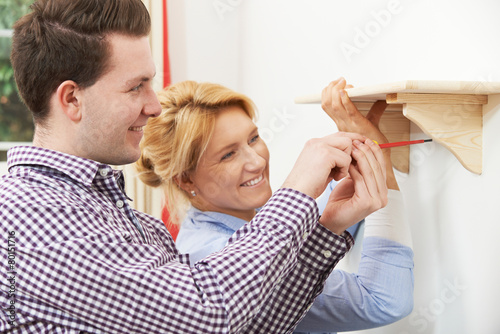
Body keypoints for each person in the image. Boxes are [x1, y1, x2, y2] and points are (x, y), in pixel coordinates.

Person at [0, 0, 389, 332]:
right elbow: (209, 314)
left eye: (150, 84)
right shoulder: (32, 218)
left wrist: (327, 227)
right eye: (135, 87)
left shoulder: (119, 217)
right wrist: (297, 190)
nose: (153, 105)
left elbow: (246, 324)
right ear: (71, 100)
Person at [136, 80, 414, 334]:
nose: (256, 162)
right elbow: (383, 301)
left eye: (253, 138)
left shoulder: (244, 217)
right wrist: (381, 163)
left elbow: (323, 213)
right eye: (228, 154)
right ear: (185, 179)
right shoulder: (214, 255)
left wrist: (362, 150)